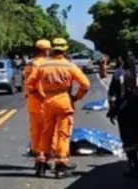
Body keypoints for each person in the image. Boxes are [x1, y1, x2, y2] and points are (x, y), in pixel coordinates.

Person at [27, 37, 90, 177]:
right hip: (64, 101)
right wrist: (77, 97)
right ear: (65, 50)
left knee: (46, 133)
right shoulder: (70, 66)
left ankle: (41, 164)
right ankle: (60, 165)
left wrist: (39, 95)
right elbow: (85, 84)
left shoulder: (42, 66)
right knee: (62, 133)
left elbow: (30, 83)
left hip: (48, 101)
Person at [107, 51, 138, 177]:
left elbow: (112, 94)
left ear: (122, 59)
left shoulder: (118, 73)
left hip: (124, 111)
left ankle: (134, 168)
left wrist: (112, 110)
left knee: (128, 140)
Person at [24, 39, 52, 166]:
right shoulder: (48, 64)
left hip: (33, 101)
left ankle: (38, 158)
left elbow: (27, 82)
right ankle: (44, 156)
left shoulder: (30, 63)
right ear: (46, 50)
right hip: (46, 101)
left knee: (36, 131)